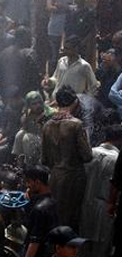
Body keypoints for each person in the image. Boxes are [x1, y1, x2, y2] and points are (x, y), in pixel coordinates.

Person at [41, 86, 93, 230]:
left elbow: (44, 159)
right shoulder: (76, 124)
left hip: (55, 178)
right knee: (72, 219)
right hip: (73, 179)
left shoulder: (47, 125)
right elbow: (87, 156)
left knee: (56, 217)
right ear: (75, 102)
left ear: (57, 103)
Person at [79, 125, 121, 257]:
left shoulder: (91, 153)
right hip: (106, 209)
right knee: (100, 253)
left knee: (82, 248)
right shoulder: (117, 159)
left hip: (86, 205)